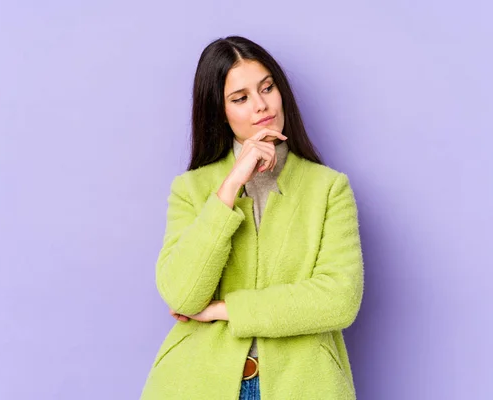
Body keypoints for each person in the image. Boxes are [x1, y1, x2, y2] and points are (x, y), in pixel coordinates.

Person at [140, 35, 364, 400]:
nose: (261, 106)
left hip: (304, 384)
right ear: (219, 110)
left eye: (267, 88)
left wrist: (225, 309)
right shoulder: (191, 189)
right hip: (197, 383)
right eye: (240, 98)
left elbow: (339, 298)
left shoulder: (328, 188)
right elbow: (182, 294)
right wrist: (229, 188)